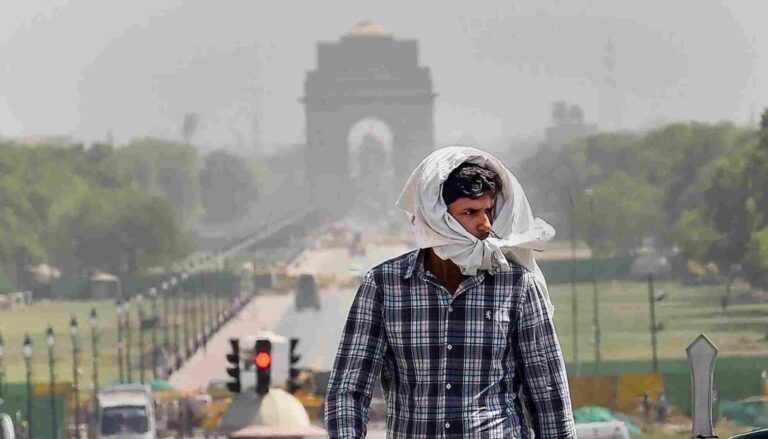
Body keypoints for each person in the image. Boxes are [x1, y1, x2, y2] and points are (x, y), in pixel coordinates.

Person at [325, 146, 576, 438]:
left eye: (488, 211)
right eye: (469, 212)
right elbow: (348, 390)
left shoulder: (517, 285)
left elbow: (548, 393)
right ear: (436, 217)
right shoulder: (384, 286)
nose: (484, 225)